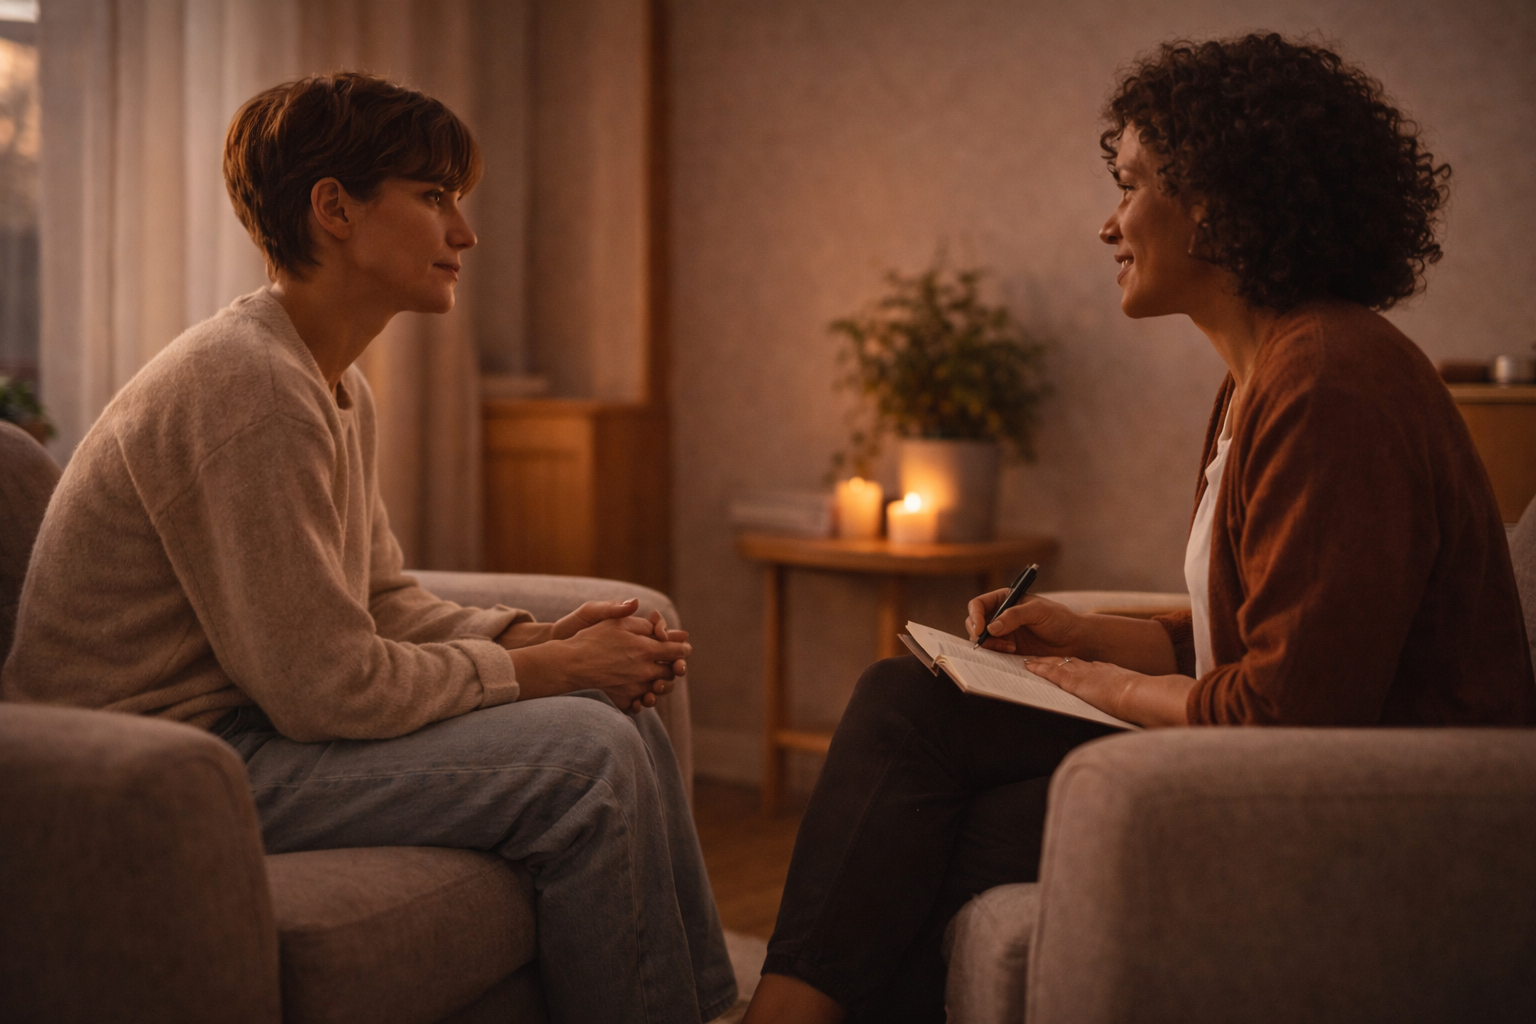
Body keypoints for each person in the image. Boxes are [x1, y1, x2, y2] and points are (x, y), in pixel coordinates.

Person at [743, 33, 1536, 1024]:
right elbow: (1273, 630)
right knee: (909, 703)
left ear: (1220, 197)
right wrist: (1093, 635)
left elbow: (1292, 710)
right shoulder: (1261, 376)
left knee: (921, 824)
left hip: (1376, 801)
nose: (1109, 223)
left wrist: (1111, 684)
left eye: (1132, 184)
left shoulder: (1331, 382)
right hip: (1282, 755)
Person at [2, 72, 736, 1024]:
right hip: (157, 768)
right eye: (435, 199)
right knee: (587, 752)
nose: (463, 234)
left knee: (613, 715)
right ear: (334, 209)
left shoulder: (328, 381)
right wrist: (548, 670)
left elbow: (382, 598)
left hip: (244, 725)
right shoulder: (249, 387)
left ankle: (706, 1008)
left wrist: (530, 636)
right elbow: (325, 690)